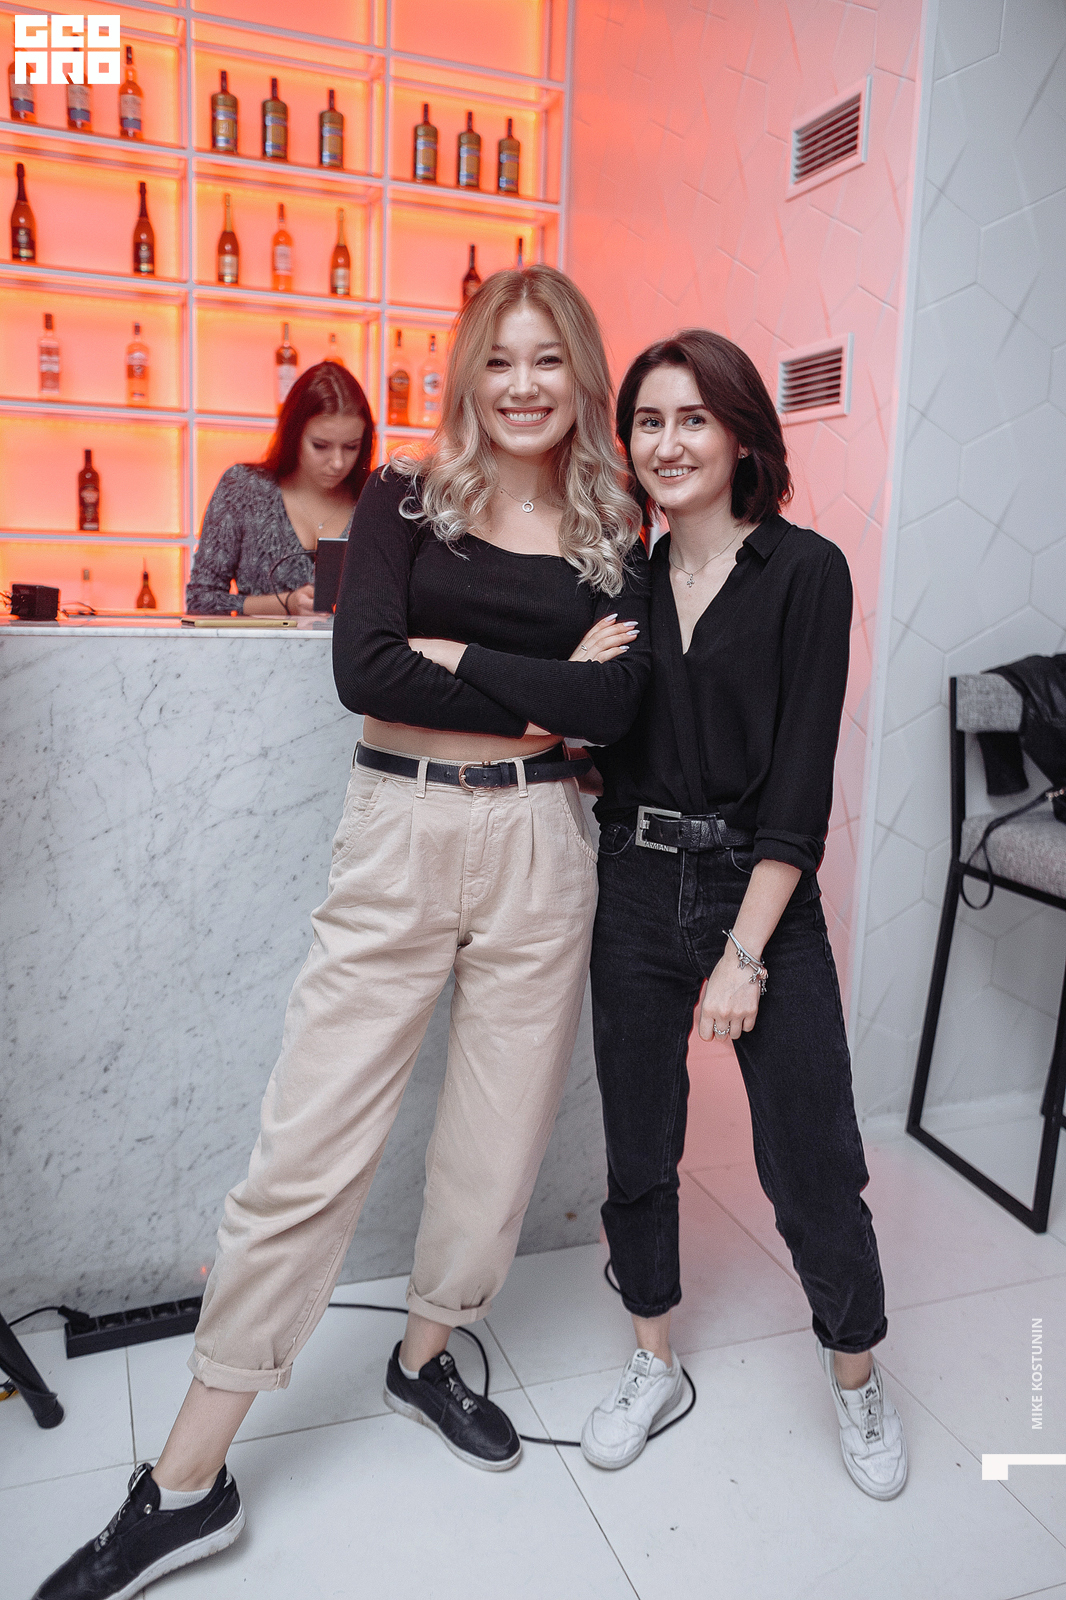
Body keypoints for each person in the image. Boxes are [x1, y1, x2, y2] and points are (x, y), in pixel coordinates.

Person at [33, 265, 649, 1600]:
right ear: (468, 371)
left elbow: (616, 708)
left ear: (582, 376)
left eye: (549, 359)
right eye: (500, 359)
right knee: (305, 1153)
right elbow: (361, 668)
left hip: (544, 846)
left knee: (495, 1145)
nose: (524, 385)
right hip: (400, 830)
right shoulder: (404, 500)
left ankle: (423, 1358)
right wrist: (540, 687)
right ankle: (186, 1478)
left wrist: (464, 664)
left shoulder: (615, 525)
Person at [580, 330, 908, 1500]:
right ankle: (652, 1359)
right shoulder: (622, 578)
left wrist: (741, 954)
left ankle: (856, 1374)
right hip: (632, 884)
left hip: (758, 891)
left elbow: (799, 792)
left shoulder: (805, 572)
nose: (666, 443)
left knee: (812, 1159)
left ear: (739, 435)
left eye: (692, 419)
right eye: (648, 421)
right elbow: (596, 743)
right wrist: (572, 677)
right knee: (637, 1148)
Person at [186, 361, 375, 616]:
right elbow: (201, 600)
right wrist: (284, 604)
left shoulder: (375, 499)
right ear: (293, 434)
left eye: (351, 446)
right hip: (256, 644)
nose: (338, 462)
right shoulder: (243, 488)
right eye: (320, 446)